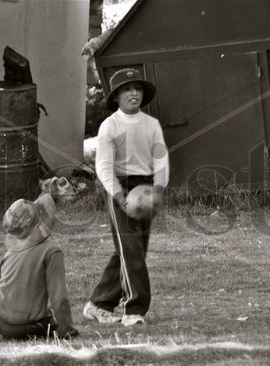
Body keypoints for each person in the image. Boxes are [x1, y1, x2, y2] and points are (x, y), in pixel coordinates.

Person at [83, 68, 169, 326]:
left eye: (138, 88)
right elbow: (103, 166)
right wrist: (119, 195)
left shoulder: (151, 124)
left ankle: (98, 303)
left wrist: (158, 187)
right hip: (120, 188)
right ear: (117, 96)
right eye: (127, 89)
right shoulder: (109, 125)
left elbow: (161, 157)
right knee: (130, 248)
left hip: (146, 189)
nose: (134, 93)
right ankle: (134, 310)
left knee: (134, 250)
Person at [0, 193, 79, 342]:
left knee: (4, 324)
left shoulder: (9, 252)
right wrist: (68, 332)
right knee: (50, 324)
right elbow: (59, 300)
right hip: (27, 329)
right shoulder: (51, 252)